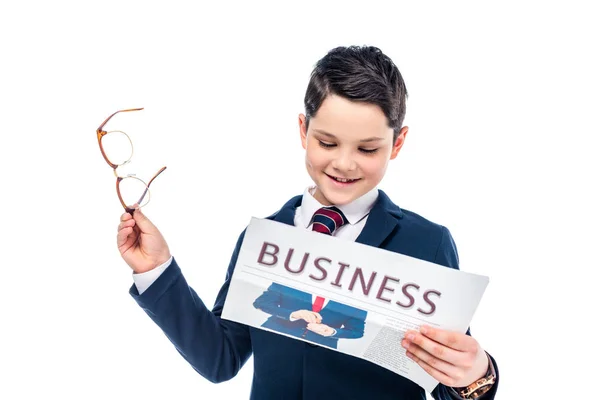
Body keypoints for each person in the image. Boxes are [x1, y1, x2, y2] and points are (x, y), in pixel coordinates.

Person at [116, 45, 499, 399]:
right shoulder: (263, 239)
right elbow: (221, 358)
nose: (344, 164)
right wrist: (156, 270)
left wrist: (476, 373)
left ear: (397, 144)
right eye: (327, 143)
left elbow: (448, 381)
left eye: (367, 149)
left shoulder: (426, 243)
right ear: (304, 130)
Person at [253, 282, 367, 349]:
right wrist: (294, 314)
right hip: (272, 339)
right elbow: (261, 303)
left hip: (320, 351)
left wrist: (332, 332)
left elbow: (357, 331)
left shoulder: (359, 298)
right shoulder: (290, 277)